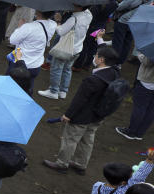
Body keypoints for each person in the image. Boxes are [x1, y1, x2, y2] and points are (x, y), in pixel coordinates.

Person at [42, 46, 121, 175]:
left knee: (70, 139)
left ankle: (62, 164)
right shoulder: (115, 73)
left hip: (82, 116)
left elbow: (79, 100)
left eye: (96, 55)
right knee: (87, 140)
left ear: (101, 60)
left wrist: (68, 115)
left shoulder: (93, 80)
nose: (94, 57)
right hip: (97, 116)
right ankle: (80, 164)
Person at [39, 6, 91, 100]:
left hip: (65, 49)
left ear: (79, 6)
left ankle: (53, 91)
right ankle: (63, 91)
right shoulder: (89, 15)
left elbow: (61, 31)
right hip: (77, 48)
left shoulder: (73, 19)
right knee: (67, 69)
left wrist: (58, 21)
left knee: (56, 68)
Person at [112, 0, 154, 64]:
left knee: (117, 42)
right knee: (127, 43)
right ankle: (119, 63)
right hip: (137, 22)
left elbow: (120, 7)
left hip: (123, 21)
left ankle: (112, 62)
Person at [7, 9, 56, 83]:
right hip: (36, 65)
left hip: (19, 63)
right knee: (28, 89)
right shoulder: (53, 24)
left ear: (38, 12)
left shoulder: (28, 27)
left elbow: (12, 40)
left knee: (9, 86)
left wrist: (20, 27)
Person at [116, 52, 154, 140]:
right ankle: (140, 133)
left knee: (140, 107)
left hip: (147, 81)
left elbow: (147, 62)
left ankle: (131, 132)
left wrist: (140, 55)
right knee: (151, 109)